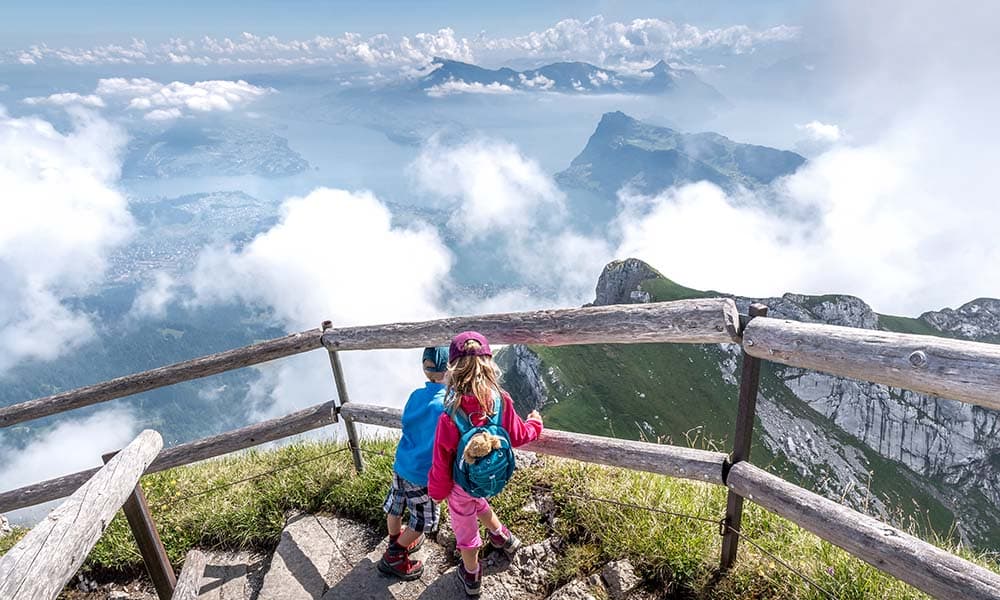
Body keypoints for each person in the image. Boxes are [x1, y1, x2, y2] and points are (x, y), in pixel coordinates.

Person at [428, 331, 544, 597]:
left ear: (454, 369)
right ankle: (502, 536)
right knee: (478, 500)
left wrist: (436, 493)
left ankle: (471, 574)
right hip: (493, 478)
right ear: (489, 364)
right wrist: (535, 422)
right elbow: (518, 435)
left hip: (462, 485)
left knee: (466, 531)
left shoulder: (450, 416)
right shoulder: (501, 400)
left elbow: (441, 461)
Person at [378, 346, 450, 580]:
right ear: (450, 368)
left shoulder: (416, 395)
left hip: (402, 463)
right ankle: (395, 555)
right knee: (420, 520)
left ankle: (395, 540)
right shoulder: (445, 406)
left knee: (395, 506)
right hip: (421, 473)